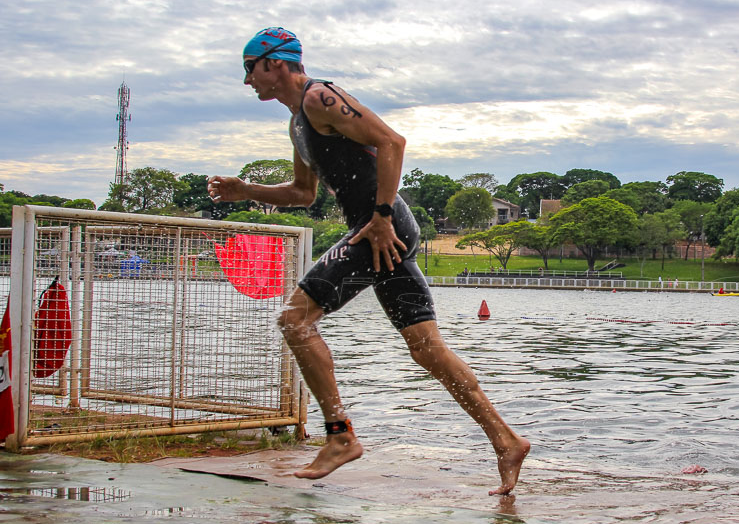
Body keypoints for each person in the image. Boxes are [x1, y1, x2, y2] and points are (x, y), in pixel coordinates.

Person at [208, 28, 529, 495]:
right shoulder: (298, 124)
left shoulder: (321, 97)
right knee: (427, 350)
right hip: (380, 231)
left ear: (274, 63)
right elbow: (303, 193)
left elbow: (392, 142)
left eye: (248, 68)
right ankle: (506, 440)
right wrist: (247, 190)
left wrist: (379, 217)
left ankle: (340, 436)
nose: (246, 81)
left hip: (381, 228)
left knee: (296, 319)